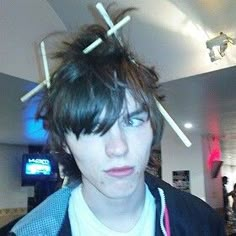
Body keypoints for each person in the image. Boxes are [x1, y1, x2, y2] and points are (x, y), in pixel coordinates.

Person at [9, 6, 225, 236]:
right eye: (93, 128)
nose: (118, 148)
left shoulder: (202, 224)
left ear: (153, 126)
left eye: (132, 121)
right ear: (64, 142)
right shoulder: (31, 231)